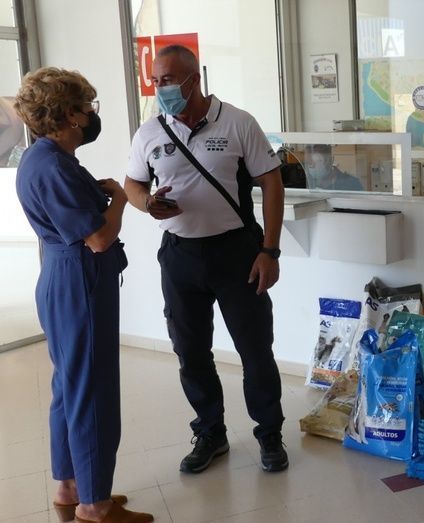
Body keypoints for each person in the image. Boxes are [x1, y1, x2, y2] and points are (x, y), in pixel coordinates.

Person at [123, 45, 289, 474]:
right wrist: (146, 203)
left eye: (167, 80)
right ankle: (211, 432)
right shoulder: (149, 133)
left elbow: (272, 182)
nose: (160, 88)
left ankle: (269, 433)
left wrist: (269, 251)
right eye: (155, 81)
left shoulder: (237, 122)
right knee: (190, 351)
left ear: (193, 80)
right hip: (180, 255)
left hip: (237, 253)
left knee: (255, 349)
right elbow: (132, 184)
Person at [15, 68, 152, 523]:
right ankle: (94, 504)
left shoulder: (41, 157)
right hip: (79, 282)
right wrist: (119, 200)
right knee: (92, 391)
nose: (92, 114)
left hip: (60, 277)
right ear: (70, 114)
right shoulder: (55, 166)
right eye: (87, 106)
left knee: (69, 386)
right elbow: (98, 239)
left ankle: (70, 485)